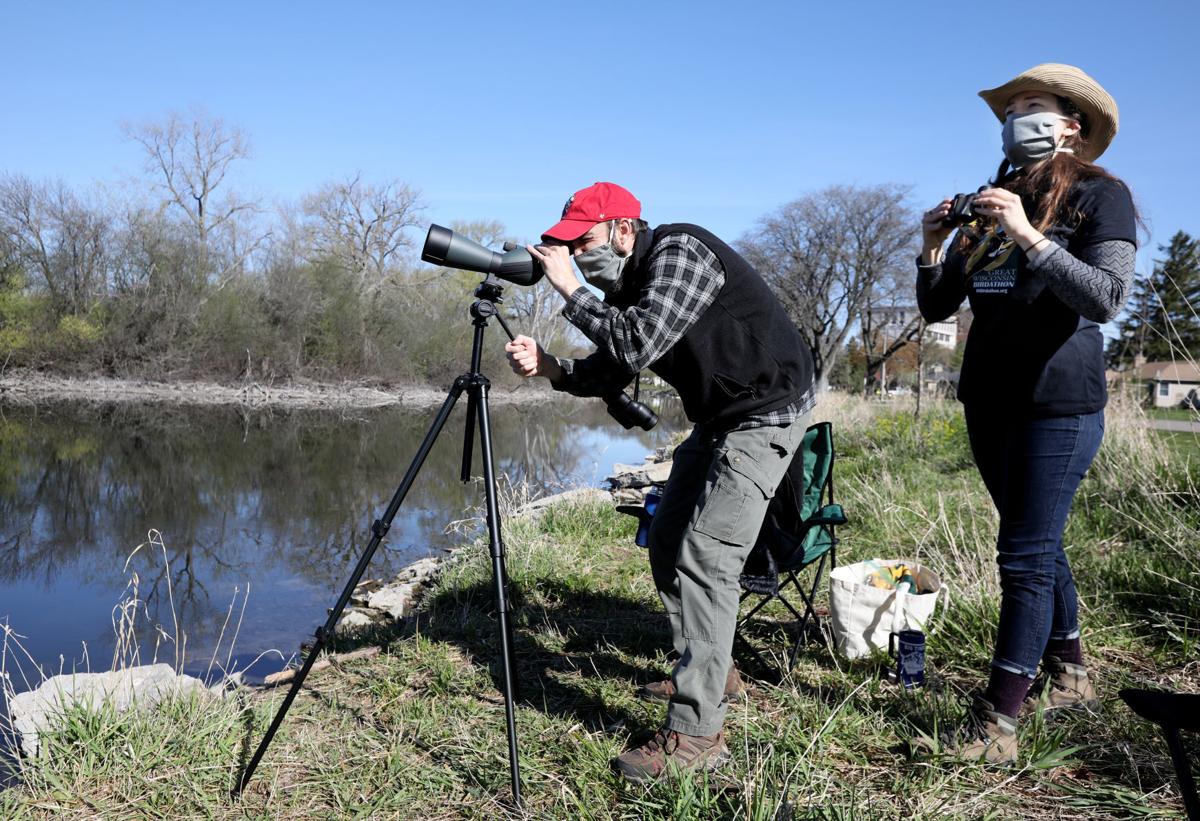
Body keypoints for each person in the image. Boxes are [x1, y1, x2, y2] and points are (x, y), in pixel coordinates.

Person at [505, 182, 815, 782]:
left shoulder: (681, 254)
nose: (577, 256)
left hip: (766, 411)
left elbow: (636, 341)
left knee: (707, 556)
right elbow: (611, 365)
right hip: (720, 416)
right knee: (668, 537)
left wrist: (568, 289)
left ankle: (698, 735)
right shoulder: (630, 284)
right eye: (568, 247)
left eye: (584, 242)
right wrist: (553, 368)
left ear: (624, 229)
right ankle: (712, 669)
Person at [916, 64, 1138, 762]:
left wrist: (1031, 235)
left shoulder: (1103, 196)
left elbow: (1105, 297)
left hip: (1059, 400)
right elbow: (937, 305)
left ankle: (998, 723)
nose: (1017, 117)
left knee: (1022, 558)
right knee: (1033, 541)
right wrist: (930, 246)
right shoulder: (993, 198)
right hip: (989, 397)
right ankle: (1070, 669)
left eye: (1032, 106)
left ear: (1072, 123)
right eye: (1010, 109)